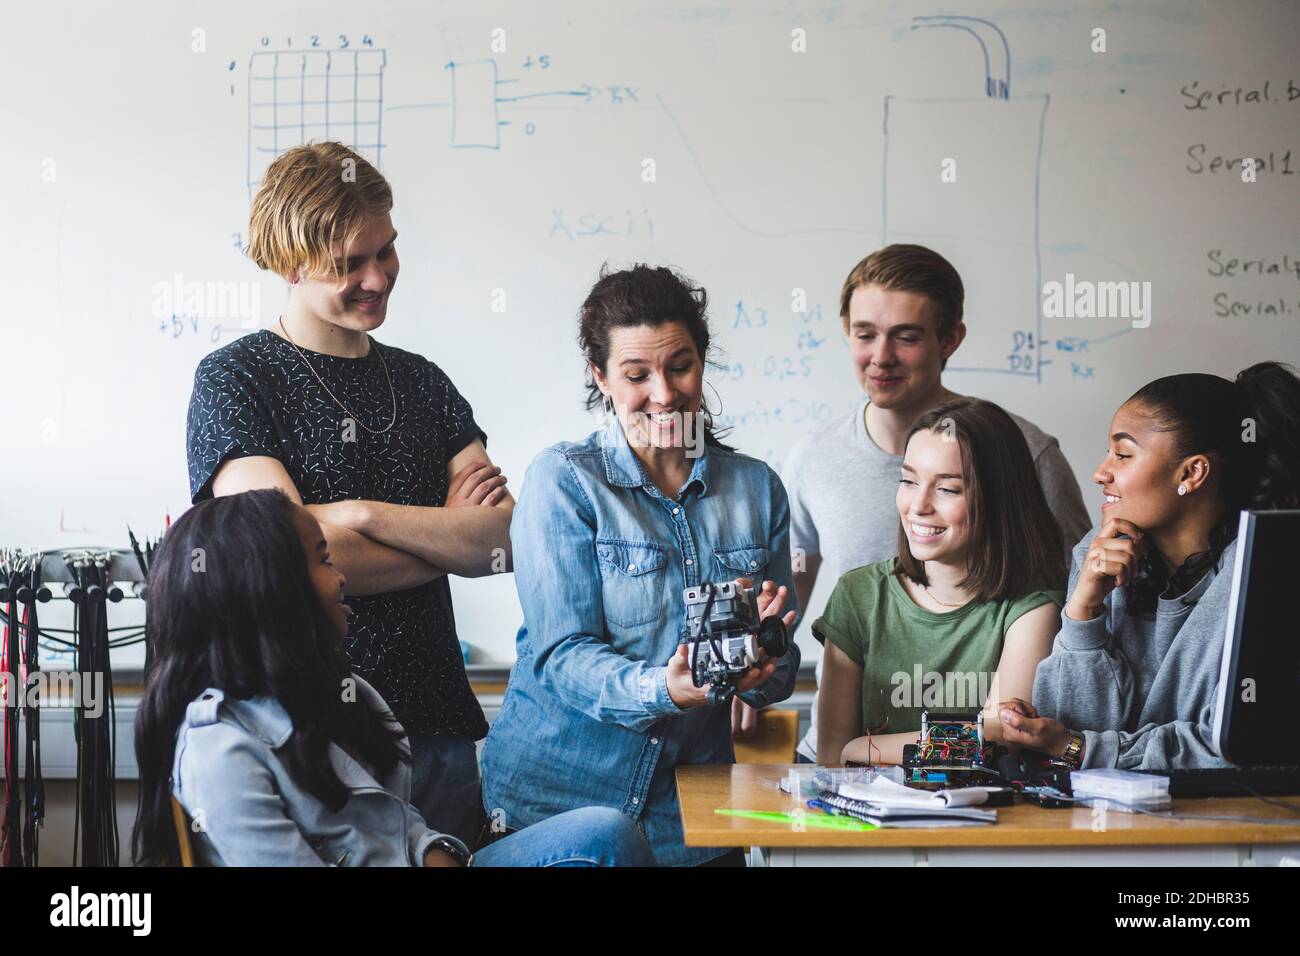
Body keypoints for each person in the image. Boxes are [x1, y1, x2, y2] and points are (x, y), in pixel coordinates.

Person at [185, 143, 511, 845]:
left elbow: (500, 544)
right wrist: (444, 538)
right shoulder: (236, 381)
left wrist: (358, 518)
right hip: (309, 732)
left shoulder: (423, 382)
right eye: (350, 264)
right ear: (289, 265)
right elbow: (278, 558)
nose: (378, 277)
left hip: (437, 726)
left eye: (386, 251)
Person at [132, 490, 655, 867]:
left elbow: (397, 823)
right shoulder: (217, 752)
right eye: (322, 560)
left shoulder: (347, 694)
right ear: (269, 588)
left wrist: (433, 852)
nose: (341, 578)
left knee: (604, 833)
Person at [479, 264, 799, 866]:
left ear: (703, 361)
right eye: (636, 375)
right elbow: (561, 656)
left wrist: (766, 663)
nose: (664, 392)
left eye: (680, 366)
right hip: (559, 805)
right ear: (600, 377)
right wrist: (665, 689)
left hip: (694, 821)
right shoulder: (565, 482)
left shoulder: (758, 490)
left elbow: (781, 667)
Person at [768, 243, 1090, 762]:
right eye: (865, 334)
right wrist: (751, 678)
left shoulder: (1026, 457)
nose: (881, 357)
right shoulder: (814, 459)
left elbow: (1081, 603)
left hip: (982, 771)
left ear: (951, 339)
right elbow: (785, 600)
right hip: (851, 753)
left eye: (907, 337)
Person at [1004, 363, 1300, 771]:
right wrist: (1083, 612)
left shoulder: (1261, 577)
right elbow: (1066, 727)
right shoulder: (1099, 551)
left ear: (1191, 473)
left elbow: (1233, 747)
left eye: (1123, 454)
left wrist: (1084, 749)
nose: (1100, 473)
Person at [814, 399, 1065, 764]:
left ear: (998, 500)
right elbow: (833, 759)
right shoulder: (859, 594)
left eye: (947, 489)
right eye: (909, 481)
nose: (918, 505)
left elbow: (1002, 741)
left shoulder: (1033, 607)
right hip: (874, 818)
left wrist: (864, 748)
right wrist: (980, 729)